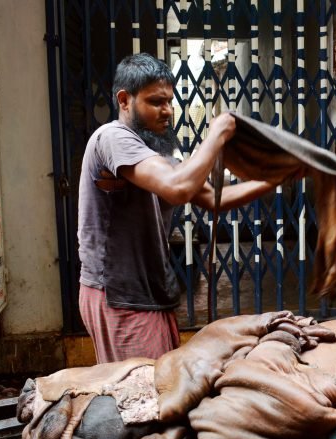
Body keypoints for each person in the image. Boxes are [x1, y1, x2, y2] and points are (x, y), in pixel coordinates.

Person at [77, 53, 276, 364]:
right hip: (122, 296)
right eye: (156, 101)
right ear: (124, 100)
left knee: (166, 384)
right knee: (149, 395)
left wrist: (275, 178)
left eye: (170, 101)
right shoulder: (113, 138)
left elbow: (210, 197)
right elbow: (178, 187)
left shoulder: (150, 151)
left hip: (148, 293)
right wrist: (217, 134)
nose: (167, 110)